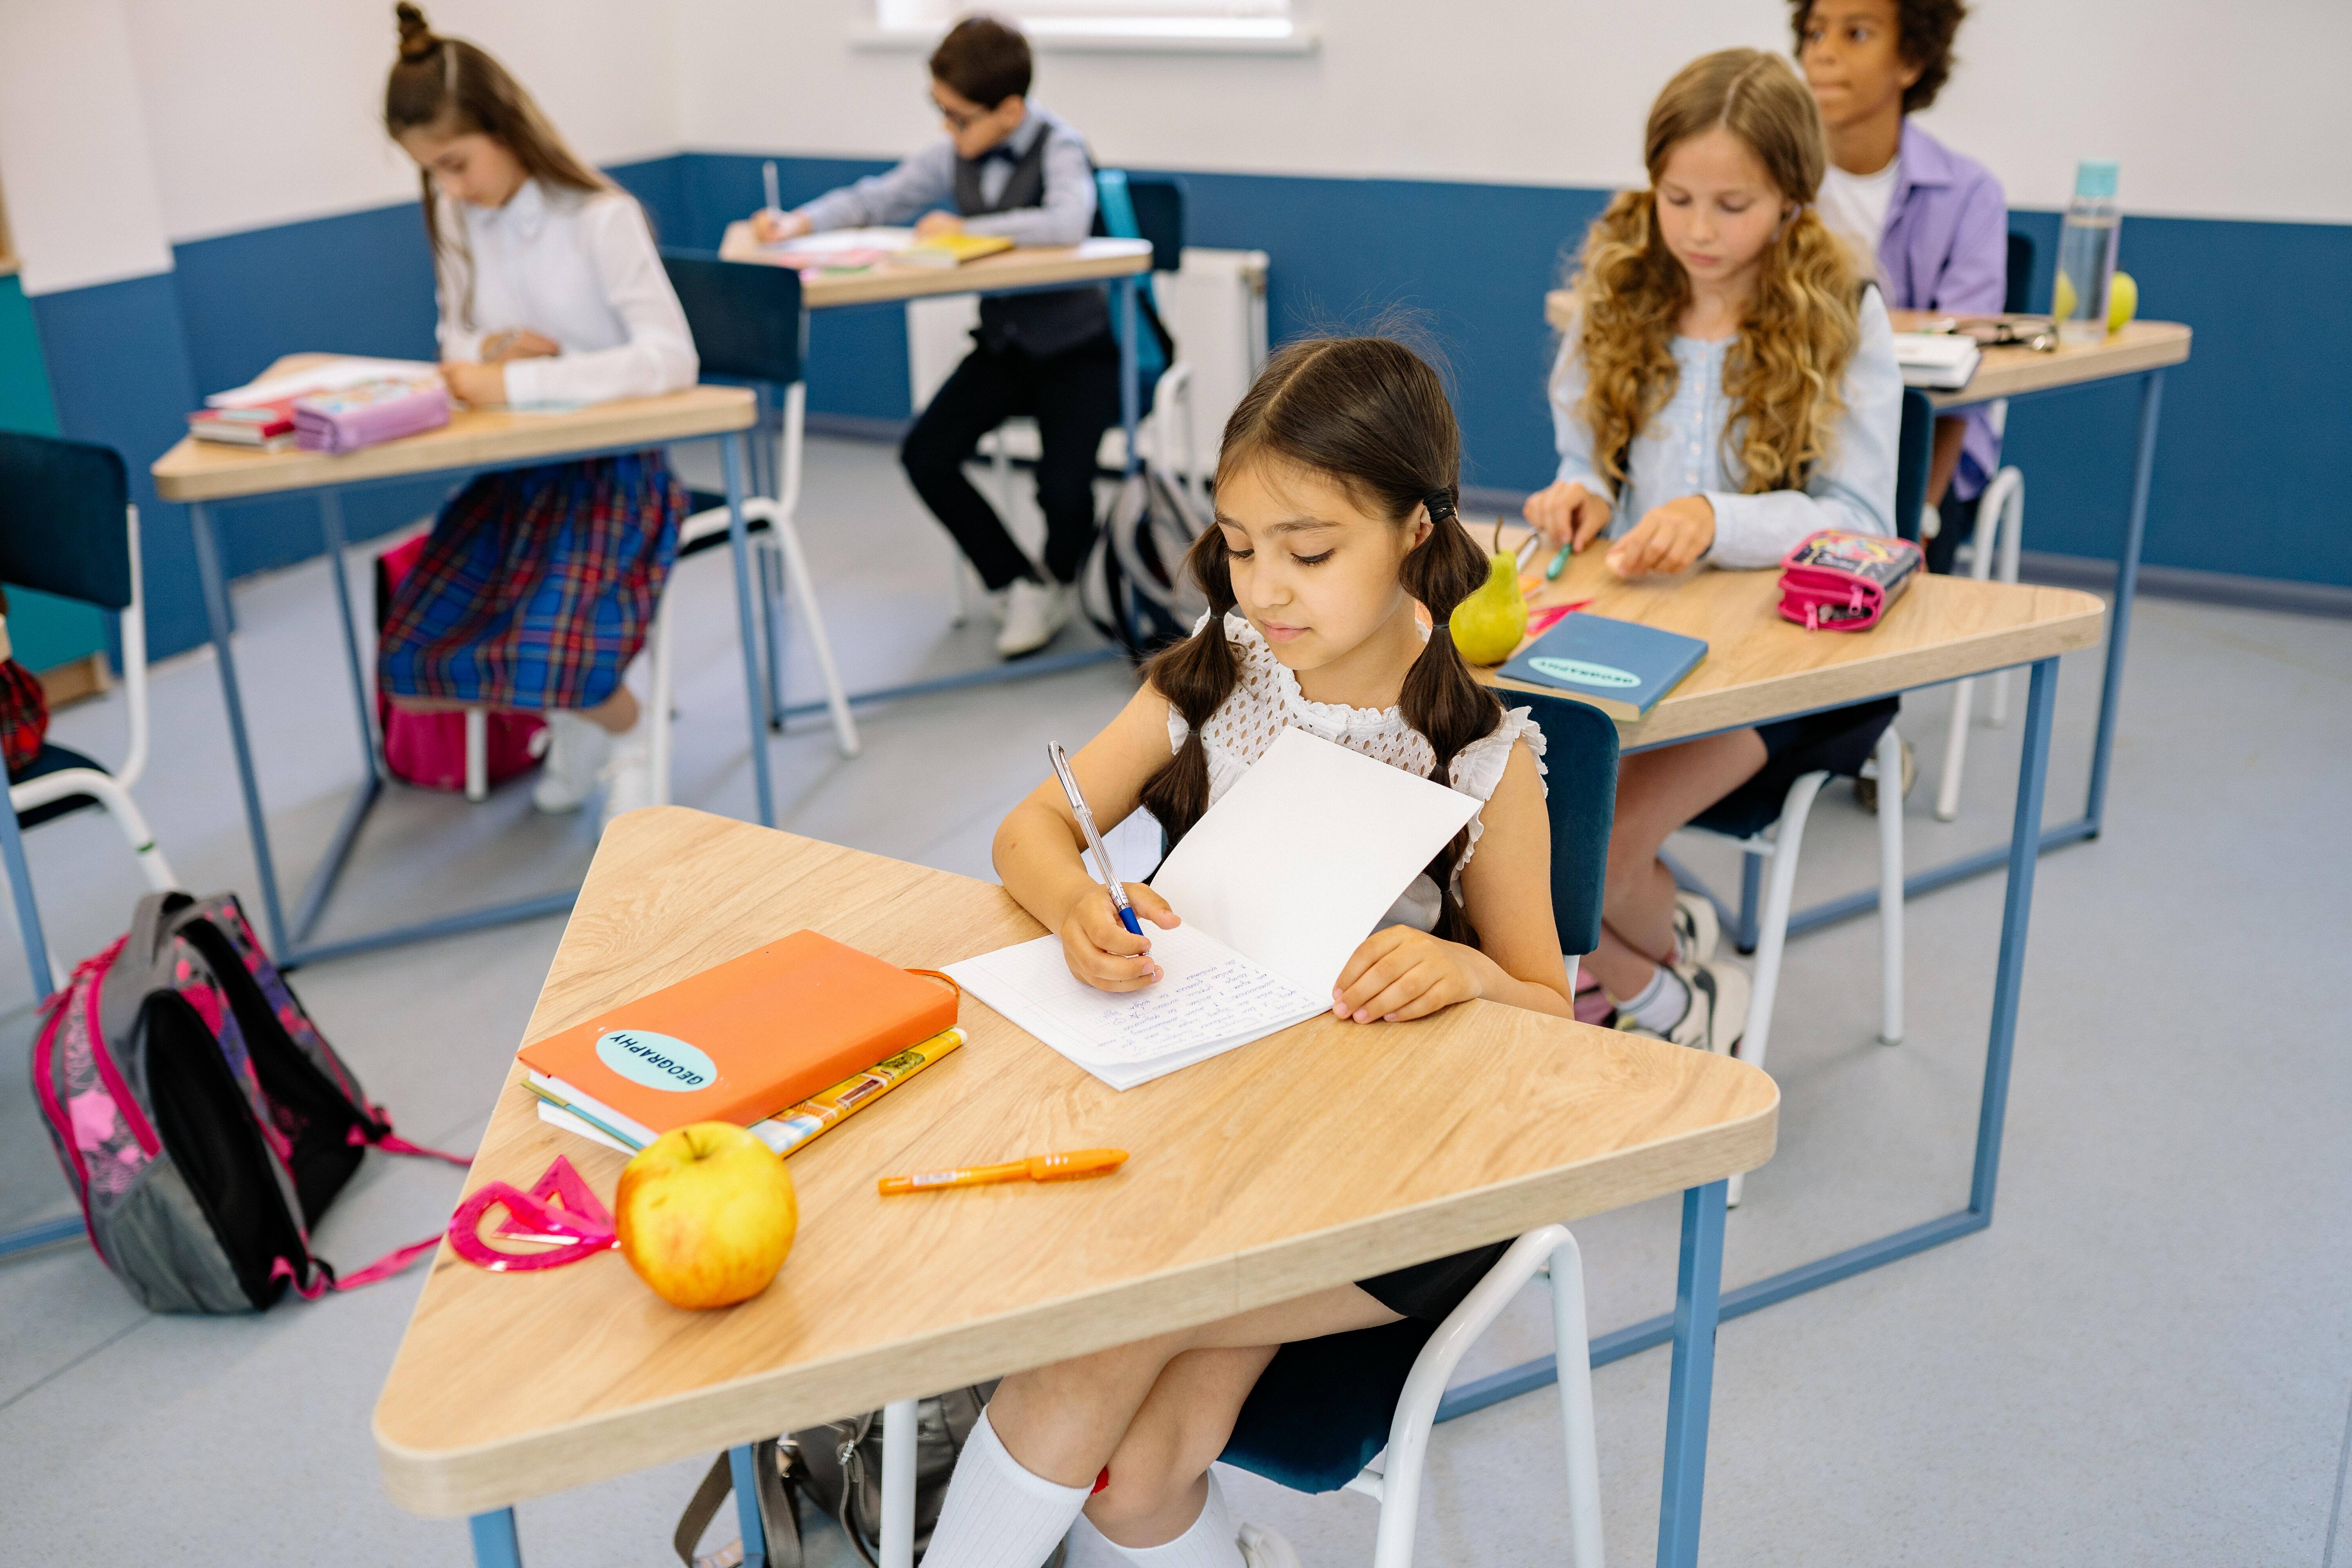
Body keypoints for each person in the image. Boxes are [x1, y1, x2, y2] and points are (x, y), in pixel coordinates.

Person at [919, 335, 1573, 1568]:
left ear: (1417, 534)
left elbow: (1553, 1012)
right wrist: (1074, 902)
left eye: (1310, 551)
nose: (1265, 586)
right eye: (1238, 542)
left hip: (1395, 1192)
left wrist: (1477, 975)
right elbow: (1032, 830)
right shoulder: (1221, 671)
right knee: (1135, 1476)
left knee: (1093, 1337)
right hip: (1209, 1131)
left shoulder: (1486, 759)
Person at [1523, 49, 1902, 1056]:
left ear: (1791, 199)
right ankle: (1666, 937)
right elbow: (1587, 452)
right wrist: (1584, 495)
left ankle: (1677, 1003)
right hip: (1644, 633)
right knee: (1510, 827)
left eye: (1731, 204)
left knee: (1584, 852)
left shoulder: (1844, 310)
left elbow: (1861, 516)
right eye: (1676, 197)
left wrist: (1718, 517)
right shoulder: (1624, 285)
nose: (1696, 229)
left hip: (1790, 665)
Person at [378, 4, 696, 825]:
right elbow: (456, 336)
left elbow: (671, 359)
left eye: (456, 163)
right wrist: (490, 358)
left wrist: (523, 383)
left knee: (557, 638)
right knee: (419, 645)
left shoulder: (601, 218)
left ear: (503, 125)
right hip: (522, 476)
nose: (450, 188)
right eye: (431, 173)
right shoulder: (459, 218)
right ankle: (583, 725)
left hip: (620, 477)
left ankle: (628, 738)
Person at [751, 14, 1116, 659]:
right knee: (925, 453)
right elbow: (878, 198)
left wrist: (965, 231)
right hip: (1004, 348)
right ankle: (1016, 580)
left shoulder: (1060, 144)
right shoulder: (954, 151)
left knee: (1062, 487)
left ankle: (1060, 578)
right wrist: (797, 222)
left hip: (1076, 350)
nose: (947, 130)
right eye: (939, 112)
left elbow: (1067, 221)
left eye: (958, 117)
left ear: (1008, 112)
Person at [1797, 0, 2006, 572]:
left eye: (1856, 33)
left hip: (1925, 455)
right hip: (1795, 442)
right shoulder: (1772, 185)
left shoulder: (1969, 195)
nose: (1824, 52)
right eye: (1814, 32)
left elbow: (1966, 374)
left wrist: (1925, 508)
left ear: (1911, 59)